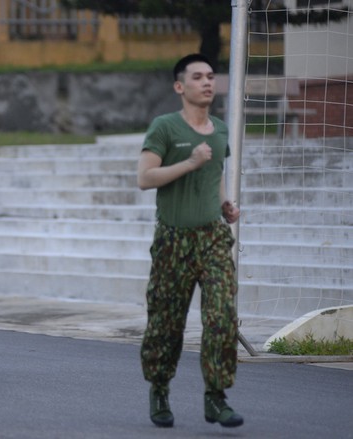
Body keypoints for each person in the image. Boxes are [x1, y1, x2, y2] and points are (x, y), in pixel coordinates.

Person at [137, 54, 244, 428]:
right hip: (173, 240)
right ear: (180, 86)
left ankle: (216, 397)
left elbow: (215, 174)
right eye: (197, 77)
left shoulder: (219, 128)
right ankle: (160, 389)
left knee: (221, 319)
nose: (207, 82)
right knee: (166, 325)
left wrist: (224, 204)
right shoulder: (164, 127)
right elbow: (145, 178)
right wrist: (189, 163)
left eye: (211, 76)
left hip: (212, 238)